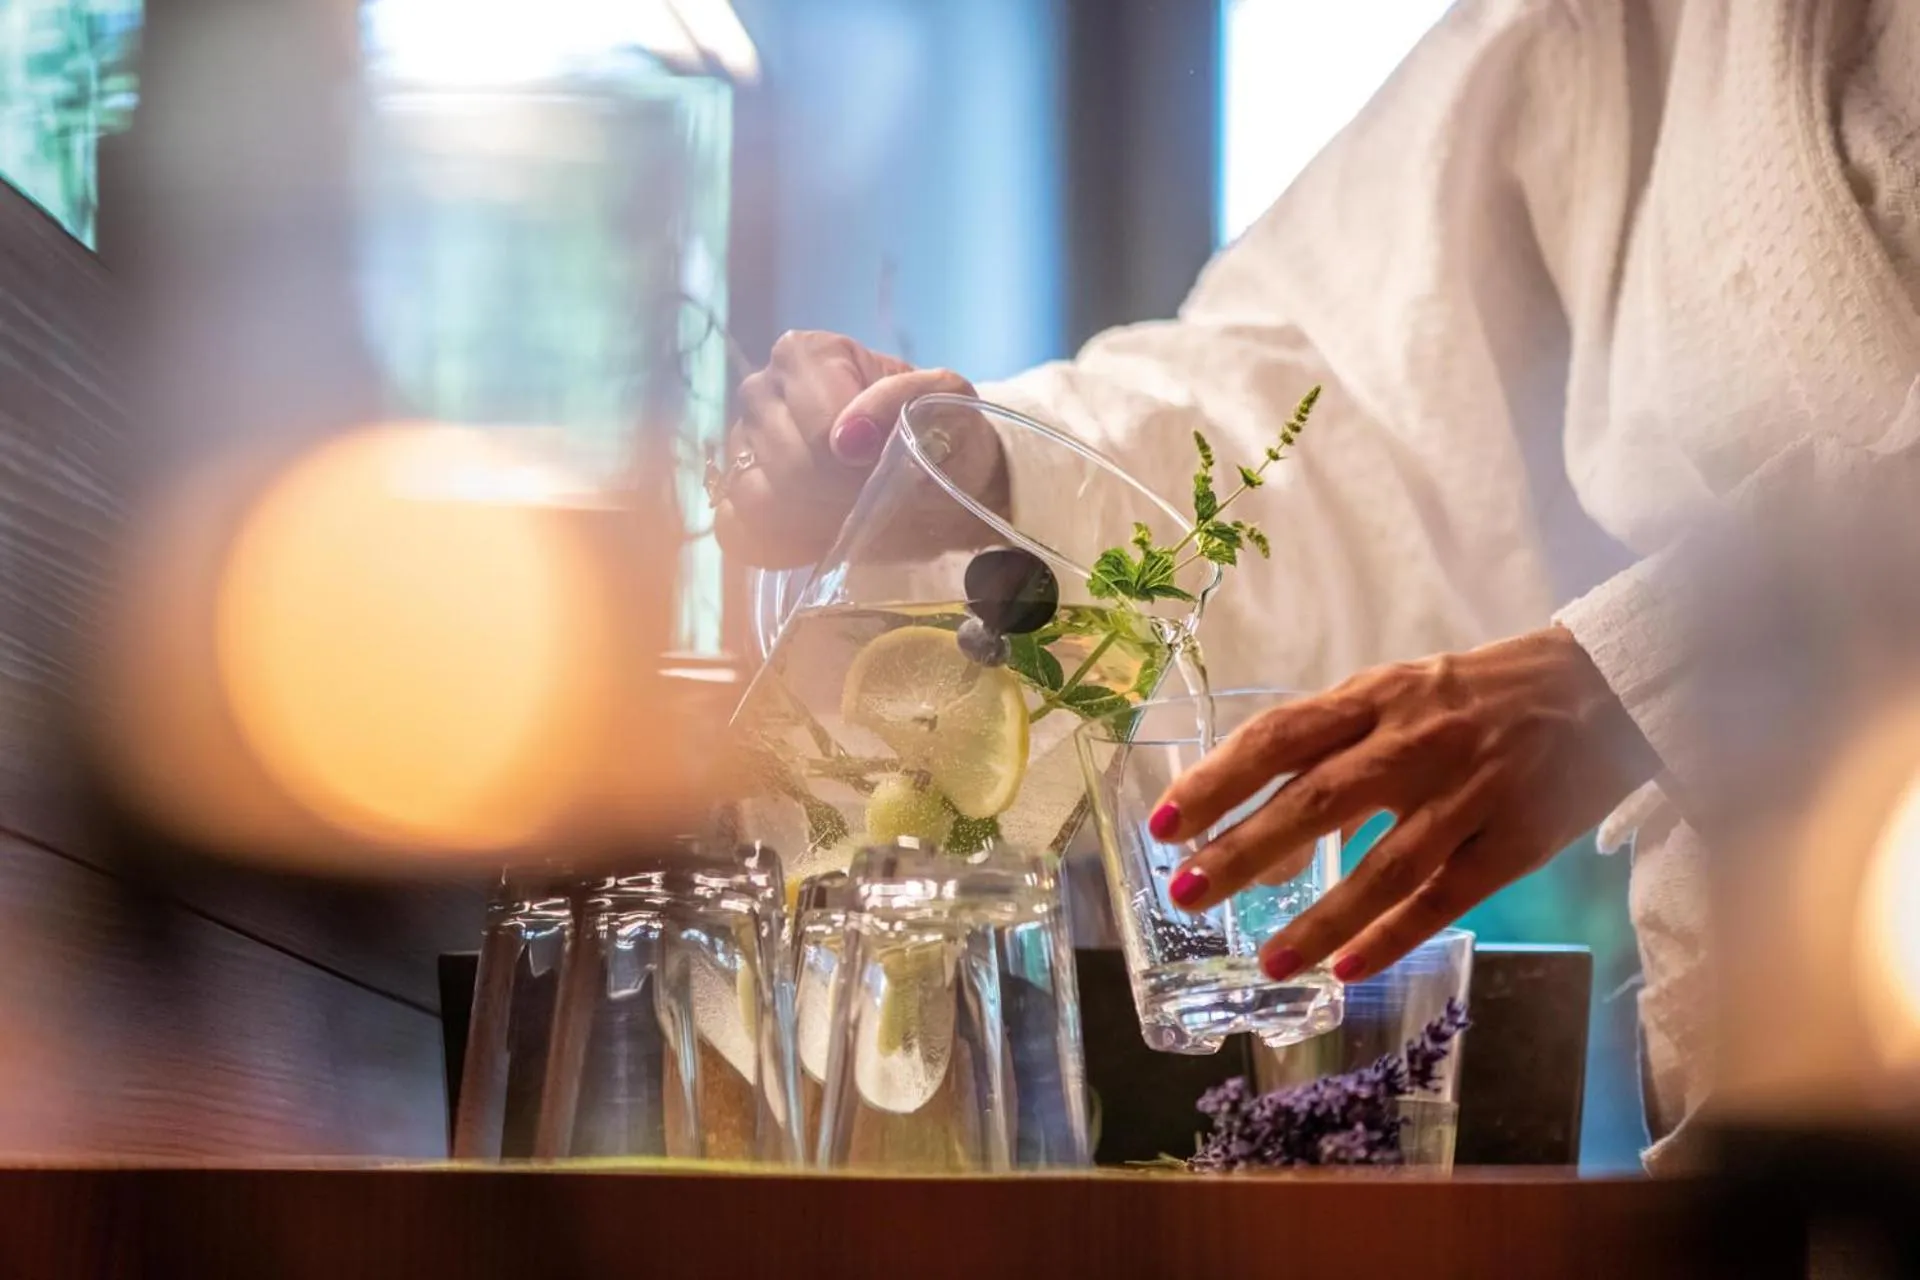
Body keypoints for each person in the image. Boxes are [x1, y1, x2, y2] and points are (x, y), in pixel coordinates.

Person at [711, 0, 1920, 1170]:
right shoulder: (1622, 26)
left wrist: (1636, 666)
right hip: (1765, 1068)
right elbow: (1344, 408)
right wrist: (982, 475)